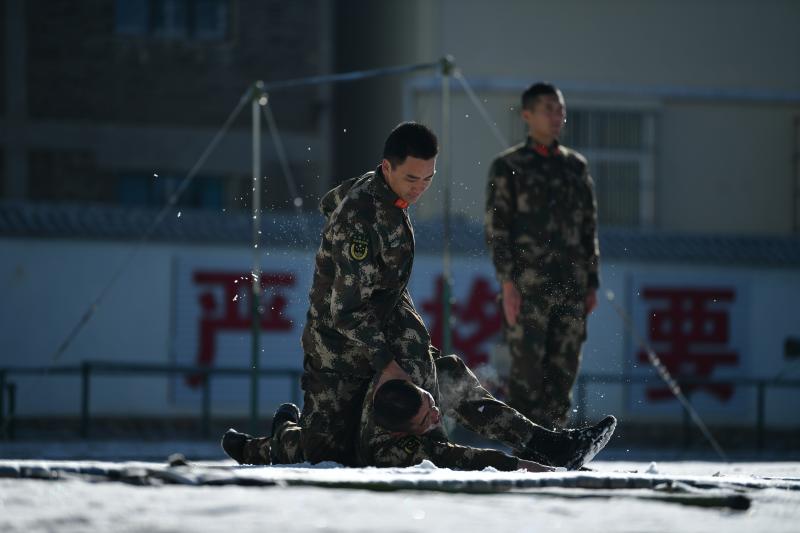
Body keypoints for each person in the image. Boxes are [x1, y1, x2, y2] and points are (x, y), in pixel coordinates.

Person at [225, 122, 438, 466]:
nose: (419, 189)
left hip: (372, 339)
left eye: (427, 179)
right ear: (387, 167)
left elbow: (330, 201)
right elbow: (346, 311)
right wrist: (386, 362)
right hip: (334, 346)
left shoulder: (383, 195)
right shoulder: (360, 218)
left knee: (360, 447)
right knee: (322, 453)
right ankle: (267, 444)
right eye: (412, 179)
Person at [484, 82, 600, 428]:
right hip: (527, 289)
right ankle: (525, 449)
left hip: (571, 287)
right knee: (527, 376)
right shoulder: (508, 166)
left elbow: (589, 228)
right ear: (527, 115)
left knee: (562, 373)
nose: (556, 116)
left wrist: (592, 282)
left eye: (560, 108)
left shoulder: (575, 167)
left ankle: (556, 443)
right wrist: (507, 283)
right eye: (548, 108)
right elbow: (497, 229)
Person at [357, 350, 616, 472]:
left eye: (431, 404)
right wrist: (519, 465)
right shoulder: (391, 449)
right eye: (427, 419)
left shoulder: (402, 372)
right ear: (401, 434)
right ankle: (548, 452)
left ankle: (546, 443)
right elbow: (457, 457)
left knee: (447, 373)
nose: (437, 414)